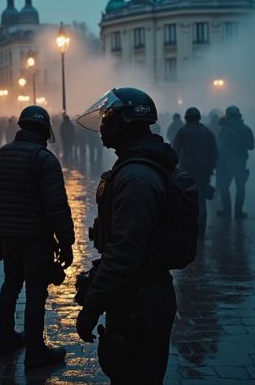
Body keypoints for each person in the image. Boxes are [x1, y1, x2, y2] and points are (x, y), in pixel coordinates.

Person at [75, 88, 178, 384]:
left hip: (139, 303)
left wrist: (91, 308)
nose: (103, 126)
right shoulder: (137, 167)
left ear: (125, 123)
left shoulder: (136, 178)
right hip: (140, 296)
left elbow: (124, 252)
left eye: (108, 118)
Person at [0, 106, 75, 369]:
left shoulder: (2, 153)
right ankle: (35, 352)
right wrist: (67, 242)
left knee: (10, 285)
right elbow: (56, 205)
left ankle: (6, 339)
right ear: (45, 129)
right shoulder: (44, 159)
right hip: (36, 238)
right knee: (35, 293)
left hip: (8, 236)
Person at [173, 107, 217, 236]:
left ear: (187, 118)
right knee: (201, 202)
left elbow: (174, 152)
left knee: (184, 202)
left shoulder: (182, 132)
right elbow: (214, 154)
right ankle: (201, 231)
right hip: (203, 173)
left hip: (185, 173)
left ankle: (186, 231)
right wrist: (209, 169)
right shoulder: (207, 133)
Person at [215, 106, 254, 219]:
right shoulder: (246, 129)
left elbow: (219, 147)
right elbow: (251, 146)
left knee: (224, 187)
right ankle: (238, 211)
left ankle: (227, 210)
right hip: (241, 162)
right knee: (240, 188)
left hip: (225, 164)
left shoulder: (225, 130)